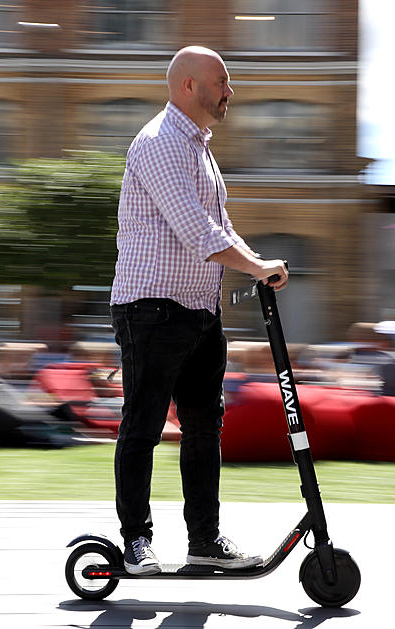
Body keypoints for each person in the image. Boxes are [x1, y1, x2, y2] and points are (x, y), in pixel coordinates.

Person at [109, 46, 289, 575]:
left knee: (205, 427)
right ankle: (136, 542)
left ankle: (204, 540)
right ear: (189, 85)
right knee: (142, 426)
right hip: (151, 309)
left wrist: (257, 262)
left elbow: (221, 225)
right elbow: (196, 232)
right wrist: (255, 268)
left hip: (200, 310)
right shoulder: (160, 142)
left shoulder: (199, 148)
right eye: (222, 81)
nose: (229, 91)